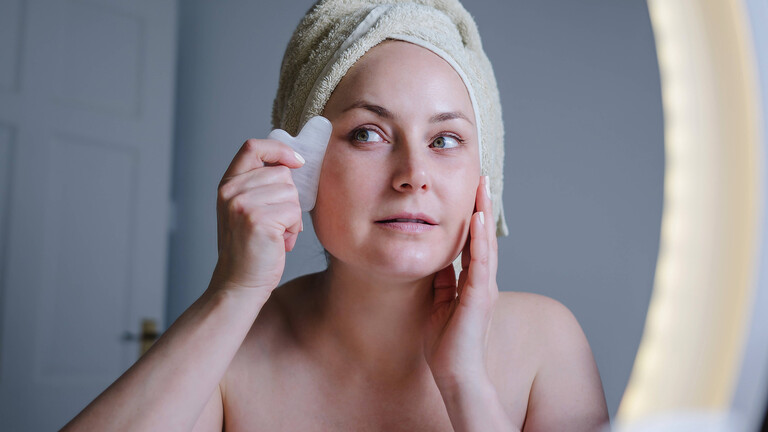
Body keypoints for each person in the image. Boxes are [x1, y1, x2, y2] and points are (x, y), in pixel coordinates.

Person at [62, 1, 609, 431]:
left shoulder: (547, 345)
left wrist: (466, 385)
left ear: (485, 176)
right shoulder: (232, 353)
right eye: (368, 133)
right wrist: (232, 294)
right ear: (299, 163)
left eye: (445, 139)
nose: (413, 174)